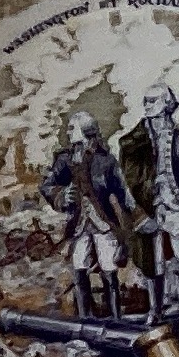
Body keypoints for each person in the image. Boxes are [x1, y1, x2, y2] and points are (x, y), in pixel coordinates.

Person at [118, 83, 179, 317]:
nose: (148, 106)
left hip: (176, 204)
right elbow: (127, 183)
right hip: (149, 207)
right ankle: (155, 309)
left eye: (153, 101)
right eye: (146, 101)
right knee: (153, 259)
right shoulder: (131, 143)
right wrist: (138, 214)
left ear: (167, 106)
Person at [39, 109, 136, 320]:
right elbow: (46, 185)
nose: (68, 132)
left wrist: (132, 219)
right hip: (79, 225)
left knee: (109, 270)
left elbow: (123, 193)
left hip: (104, 224)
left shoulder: (106, 161)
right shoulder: (64, 160)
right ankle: (85, 319)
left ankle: (115, 319)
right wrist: (61, 195)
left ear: (85, 131)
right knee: (79, 268)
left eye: (72, 128)